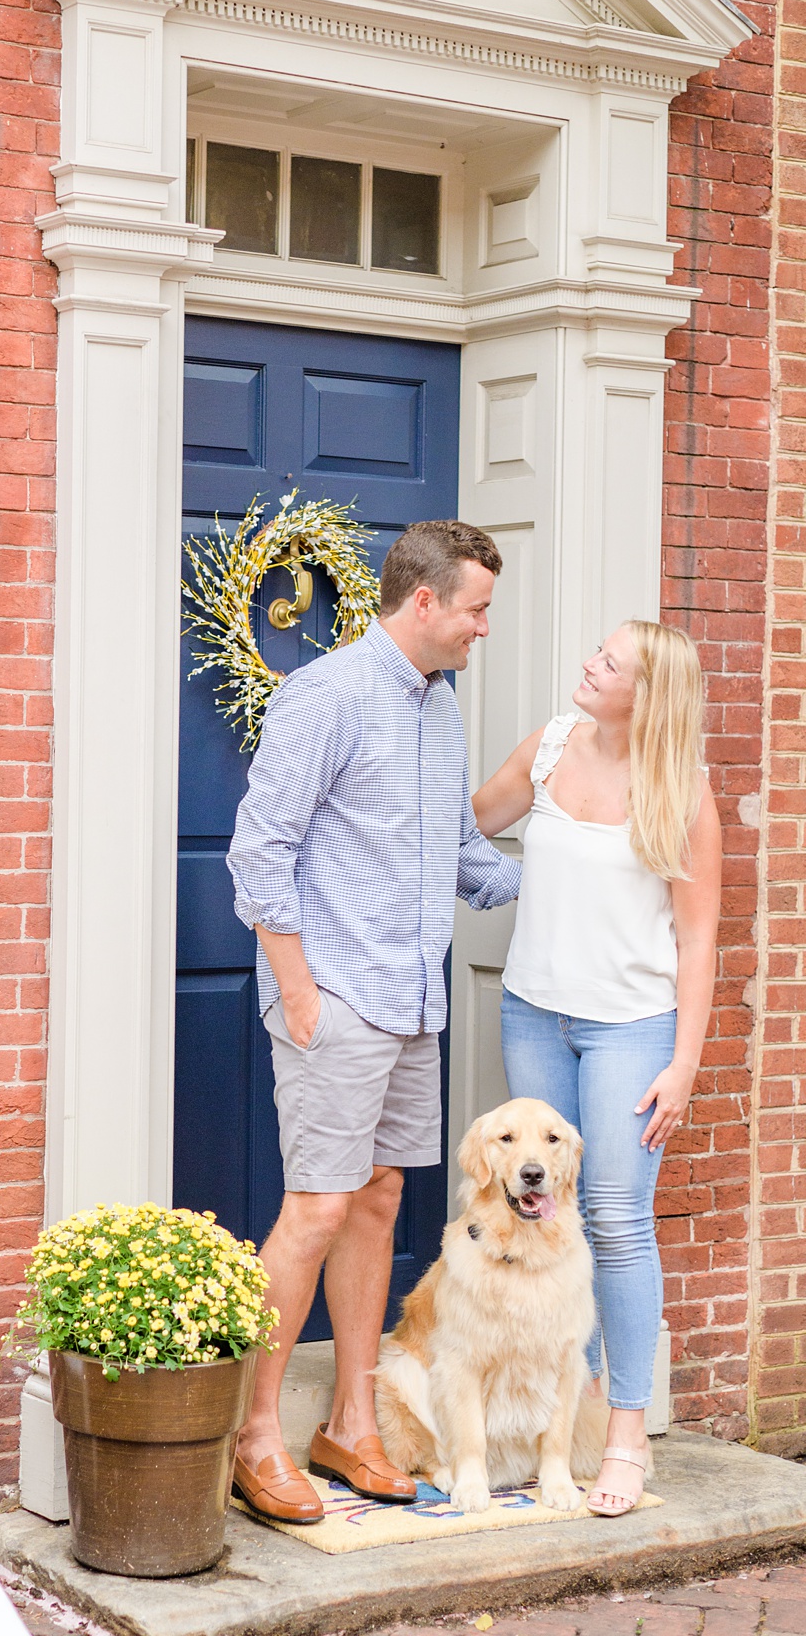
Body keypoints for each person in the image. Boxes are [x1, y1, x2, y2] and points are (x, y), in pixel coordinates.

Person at [223, 519, 521, 1524]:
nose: (485, 628)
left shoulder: (441, 707)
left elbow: (456, 854)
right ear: (426, 601)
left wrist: (571, 875)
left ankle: (351, 1422)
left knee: (381, 1198)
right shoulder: (330, 695)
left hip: (414, 999)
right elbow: (259, 850)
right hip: (339, 994)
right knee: (314, 1207)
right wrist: (300, 990)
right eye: (476, 609)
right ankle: (254, 1435)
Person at [470, 620, 719, 1517]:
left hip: (633, 1032)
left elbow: (697, 940)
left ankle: (623, 1435)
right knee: (545, 1218)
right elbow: (467, 823)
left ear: (647, 695)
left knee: (613, 1217)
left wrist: (684, 1062)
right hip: (535, 1011)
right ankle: (555, 1427)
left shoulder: (682, 793)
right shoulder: (546, 750)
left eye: (609, 663)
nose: (588, 664)